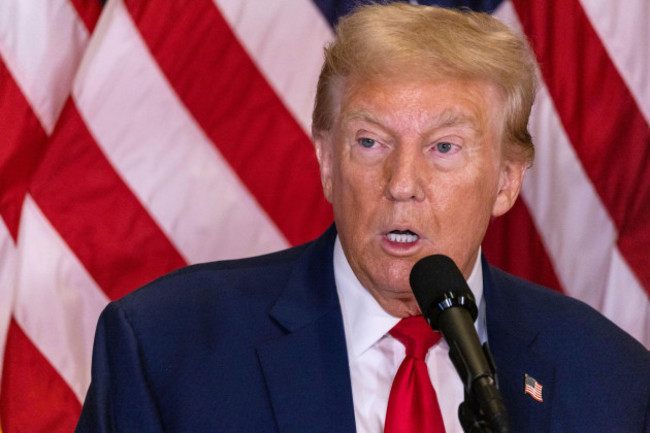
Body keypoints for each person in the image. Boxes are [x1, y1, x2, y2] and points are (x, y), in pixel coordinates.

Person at [76, 3, 650, 432]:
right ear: (327, 161)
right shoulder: (167, 347)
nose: (401, 185)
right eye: (371, 142)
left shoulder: (608, 378)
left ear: (507, 180)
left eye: (444, 147)